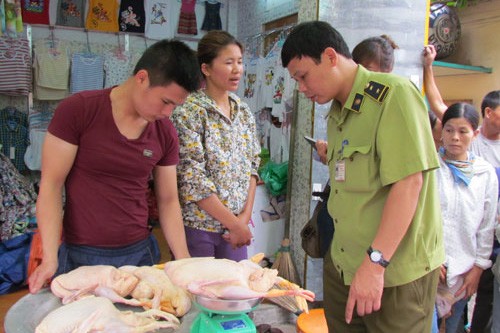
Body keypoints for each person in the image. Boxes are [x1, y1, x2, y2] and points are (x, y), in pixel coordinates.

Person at [281, 21, 444, 332]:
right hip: (344, 267)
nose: (301, 88)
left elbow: (409, 184)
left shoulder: (394, 96)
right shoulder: (337, 115)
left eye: (303, 77)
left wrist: (375, 263)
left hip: (392, 275)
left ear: (330, 56)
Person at [28, 39, 201, 294]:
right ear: (142, 78)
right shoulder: (78, 110)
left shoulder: (165, 132)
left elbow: (168, 200)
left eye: (176, 106)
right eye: (165, 101)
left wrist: (184, 259)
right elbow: (51, 186)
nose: (168, 112)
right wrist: (51, 257)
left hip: (139, 255)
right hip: (82, 256)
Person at [171, 30, 260, 261]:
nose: (237, 69)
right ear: (206, 69)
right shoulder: (188, 111)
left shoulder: (244, 111)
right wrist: (234, 223)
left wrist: (243, 219)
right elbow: (192, 179)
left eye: (240, 62)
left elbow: (253, 165)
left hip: (234, 230)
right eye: (228, 62)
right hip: (199, 228)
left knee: (234, 294)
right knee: (198, 294)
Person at [434, 103, 498, 333]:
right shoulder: (431, 167)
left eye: (463, 131)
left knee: (452, 328)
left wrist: (478, 268)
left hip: (463, 273)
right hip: (428, 268)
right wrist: (431, 257)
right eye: (449, 130)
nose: (455, 138)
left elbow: (486, 225)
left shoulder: (485, 173)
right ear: (441, 132)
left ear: (476, 134)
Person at [315, 34, 398, 163]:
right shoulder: (343, 107)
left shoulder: (393, 102)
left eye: (368, 72)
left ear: (389, 71)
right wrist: (330, 153)